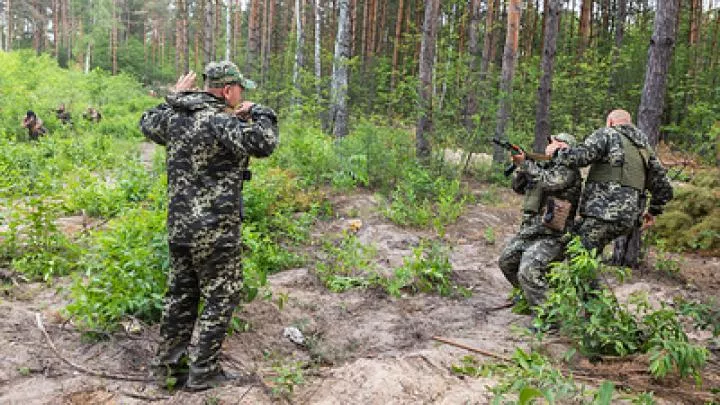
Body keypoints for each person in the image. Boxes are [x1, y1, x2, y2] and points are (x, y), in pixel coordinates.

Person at [139, 61, 278, 390]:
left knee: (180, 297)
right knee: (221, 296)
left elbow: (147, 122)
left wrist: (173, 97)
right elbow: (265, 142)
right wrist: (259, 111)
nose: (242, 96)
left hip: (179, 231)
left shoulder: (175, 117)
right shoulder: (221, 120)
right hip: (215, 232)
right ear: (228, 90)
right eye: (241, 90)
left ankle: (166, 370)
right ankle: (203, 372)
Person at [554, 109, 673, 254]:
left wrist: (556, 152)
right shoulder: (644, 148)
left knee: (577, 254)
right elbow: (664, 186)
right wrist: (654, 210)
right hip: (627, 219)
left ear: (610, 121)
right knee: (580, 244)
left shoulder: (607, 134)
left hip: (603, 212)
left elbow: (580, 157)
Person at [498, 133, 582, 308]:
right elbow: (518, 187)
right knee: (507, 261)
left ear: (565, 147)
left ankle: (548, 317)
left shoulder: (568, 169)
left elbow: (550, 182)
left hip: (552, 235)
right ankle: (529, 298)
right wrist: (520, 166)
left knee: (528, 270)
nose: (549, 145)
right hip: (532, 230)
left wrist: (527, 164)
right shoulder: (544, 166)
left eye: (554, 142)